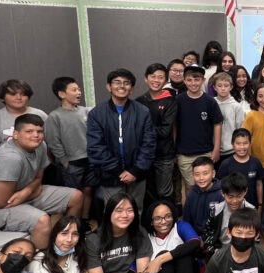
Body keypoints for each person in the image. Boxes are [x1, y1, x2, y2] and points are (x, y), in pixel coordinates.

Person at [0, 114, 83, 249]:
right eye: (29, 132)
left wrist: (28, 191)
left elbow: (38, 179)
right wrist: (32, 190)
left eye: (39, 132)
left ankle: (66, 243)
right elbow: (2, 203)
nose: (36, 135)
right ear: (15, 135)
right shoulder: (10, 158)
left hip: (22, 192)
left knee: (76, 197)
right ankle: (43, 263)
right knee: (42, 220)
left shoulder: (41, 146)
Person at [85, 68, 155, 207]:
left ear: (132, 89)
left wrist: (135, 170)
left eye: (126, 83)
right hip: (110, 175)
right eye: (117, 82)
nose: (121, 86)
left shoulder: (143, 112)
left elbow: (149, 144)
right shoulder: (96, 114)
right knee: (114, 212)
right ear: (108, 86)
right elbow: (95, 147)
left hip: (137, 174)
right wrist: (119, 171)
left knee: (136, 211)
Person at [45, 77, 95, 225]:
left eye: (79, 89)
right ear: (62, 94)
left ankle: (84, 221)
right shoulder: (55, 116)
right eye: (74, 90)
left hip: (90, 159)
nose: (78, 92)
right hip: (72, 163)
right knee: (73, 195)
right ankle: (71, 223)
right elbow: (53, 142)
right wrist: (64, 162)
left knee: (88, 190)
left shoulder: (86, 111)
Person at [174, 64, 223, 207]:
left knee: (206, 186)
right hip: (184, 153)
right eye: (189, 80)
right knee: (191, 186)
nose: (193, 83)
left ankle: (207, 214)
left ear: (202, 80)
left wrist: (216, 149)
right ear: (184, 81)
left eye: (197, 79)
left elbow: (217, 124)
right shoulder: (179, 101)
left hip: (206, 151)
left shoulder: (209, 101)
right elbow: (174, 126)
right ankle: (191, 213)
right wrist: (174, 150)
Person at [135, 63, 178, 203]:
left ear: (165, 81)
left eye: (160, 77)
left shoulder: (170, 101)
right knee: (146, 191)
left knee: (164, 192)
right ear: (146, 79)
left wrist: (143, 131)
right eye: (153, 76)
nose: (156, 80)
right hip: (143, 155)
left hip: (164, 154)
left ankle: (169, 221)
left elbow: (165, 131)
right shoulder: (138, 102)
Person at [0, 79, 47, 156]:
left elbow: (50, 143)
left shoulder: (41, 115)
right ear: (2, 97)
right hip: (7, 163)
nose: (18, 97)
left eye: (23, 94)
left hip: (39, 162)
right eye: (13, 94)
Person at [217, 128, 263, 208]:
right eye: (238, 143)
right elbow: (220, 187)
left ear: (250, 143)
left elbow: (259, 184)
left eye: (245, 143)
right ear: (232, 144)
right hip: (231, 207)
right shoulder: (225, 164)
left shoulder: (256, 163)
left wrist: (260, 204)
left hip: (251, 207)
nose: (242, 147)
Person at [242, 84, 264, 190]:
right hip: (256, 161)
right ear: (256, 98)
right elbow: (245, 139)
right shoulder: (251, 115)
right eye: (260, 96)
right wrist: (249, 160)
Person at [212, 72, 247, 166]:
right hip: (213, 149)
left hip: (231, 150)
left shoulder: (236, 107)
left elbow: (240, 129)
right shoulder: (210, 103)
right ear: (214, 87)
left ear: (231, 87)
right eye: (219, 85)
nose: (223, 88)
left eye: (226, 85)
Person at [184, 156, 223, 237]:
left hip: (216, 237)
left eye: (205, 174)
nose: (201, 178)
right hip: (195, 237)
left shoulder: (221, 194)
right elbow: (187, 221)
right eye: (197, 174)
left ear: (213, 174)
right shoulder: (191, 195)